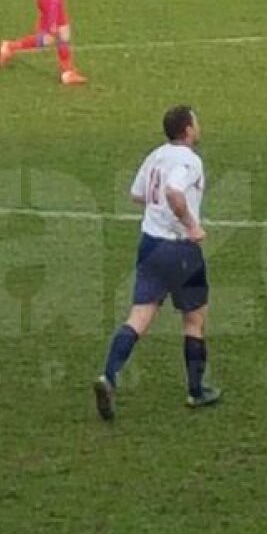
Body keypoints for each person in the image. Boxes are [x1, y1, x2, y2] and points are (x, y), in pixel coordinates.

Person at [94, 105, 220, 422]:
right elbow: (174, 192)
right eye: (196, 121)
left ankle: (108, 376)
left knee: (139, 316)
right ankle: (196, 391)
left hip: (150, 245)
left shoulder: (156, 156)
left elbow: (137, 194)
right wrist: (191, 224)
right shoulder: (189, 160)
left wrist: (158, 207)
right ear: (187, 130)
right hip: (181, 249)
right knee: (194, 320)